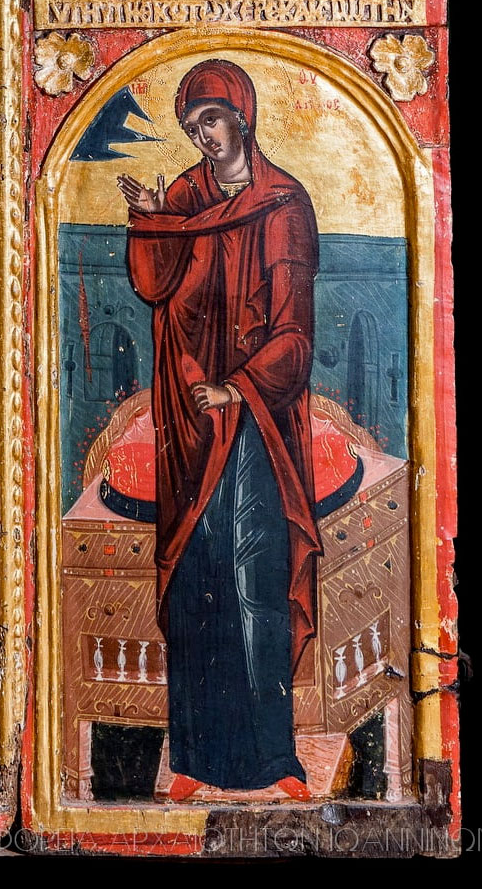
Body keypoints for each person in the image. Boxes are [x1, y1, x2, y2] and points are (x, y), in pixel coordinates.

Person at [120, 59, 320, 799]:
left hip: (256, 418)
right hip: (190, 420)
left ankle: (276, 760)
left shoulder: (283, 204)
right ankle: (195, 760)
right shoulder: (183, 195)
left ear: (242, 115)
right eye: (192, 123)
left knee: (256, 580)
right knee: (196, 578)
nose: (203, 134)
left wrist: (238, 386)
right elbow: (153, 286)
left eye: (212, 118)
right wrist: (151, 220)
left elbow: (294, 331)